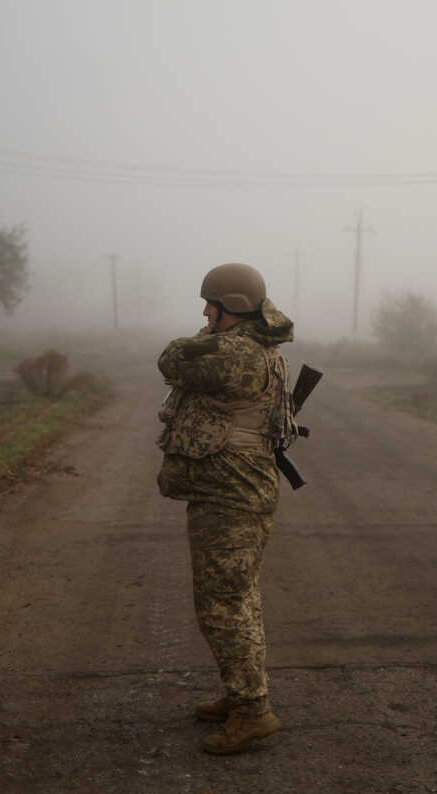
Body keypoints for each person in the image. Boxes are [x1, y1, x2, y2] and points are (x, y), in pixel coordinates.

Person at [156, 263, 295, 754]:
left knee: (223, 605)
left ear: (230, 306)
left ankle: (252, 711)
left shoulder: (235, 355)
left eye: (210, 305)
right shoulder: (254, 346)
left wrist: (190, 342)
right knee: (237, 599)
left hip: (231, 493)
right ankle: (241, 696)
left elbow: (171, 360)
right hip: (236, 490)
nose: (203, 312)